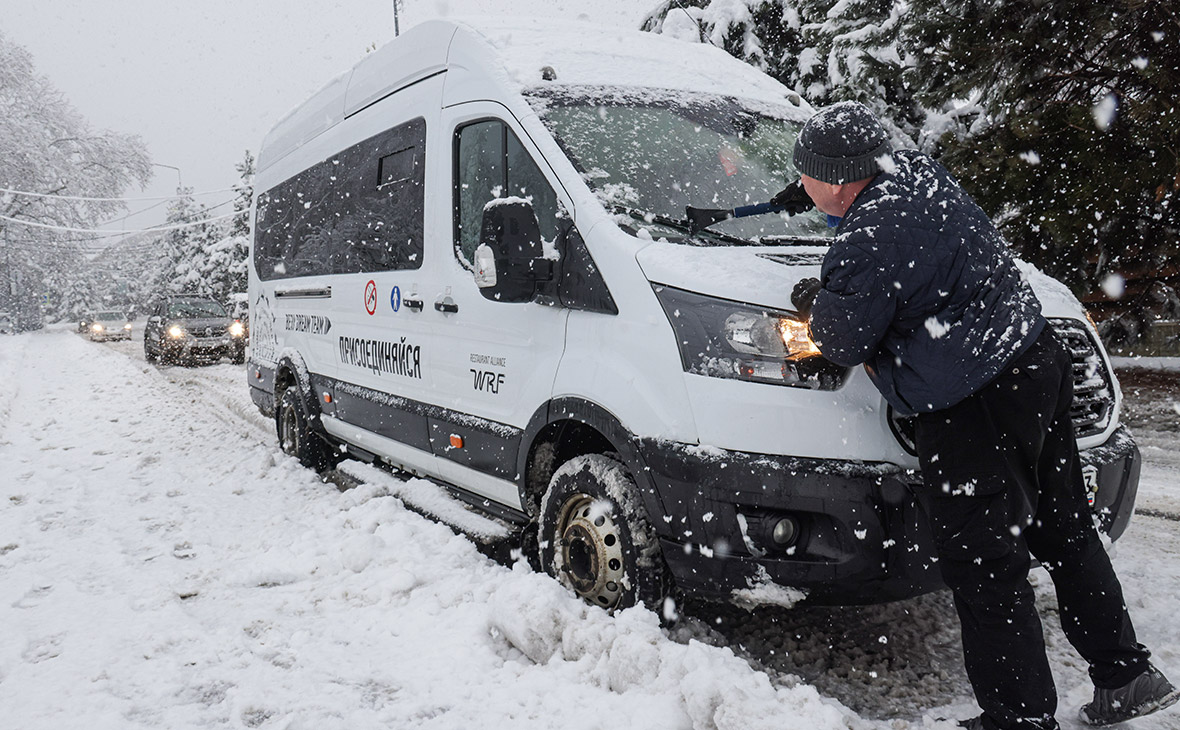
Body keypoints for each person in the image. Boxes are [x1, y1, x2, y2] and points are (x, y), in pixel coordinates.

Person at [788, 101, 1178, 730]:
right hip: (1033, 363)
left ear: (836, 179)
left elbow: (842, 342)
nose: (801, 188)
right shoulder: (919, 176)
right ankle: (1126, 674)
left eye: (805, 176)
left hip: (972, 403)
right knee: (1063, 526)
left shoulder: (867, 238)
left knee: (982, 560)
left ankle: (1018, 717)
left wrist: (822, 299)